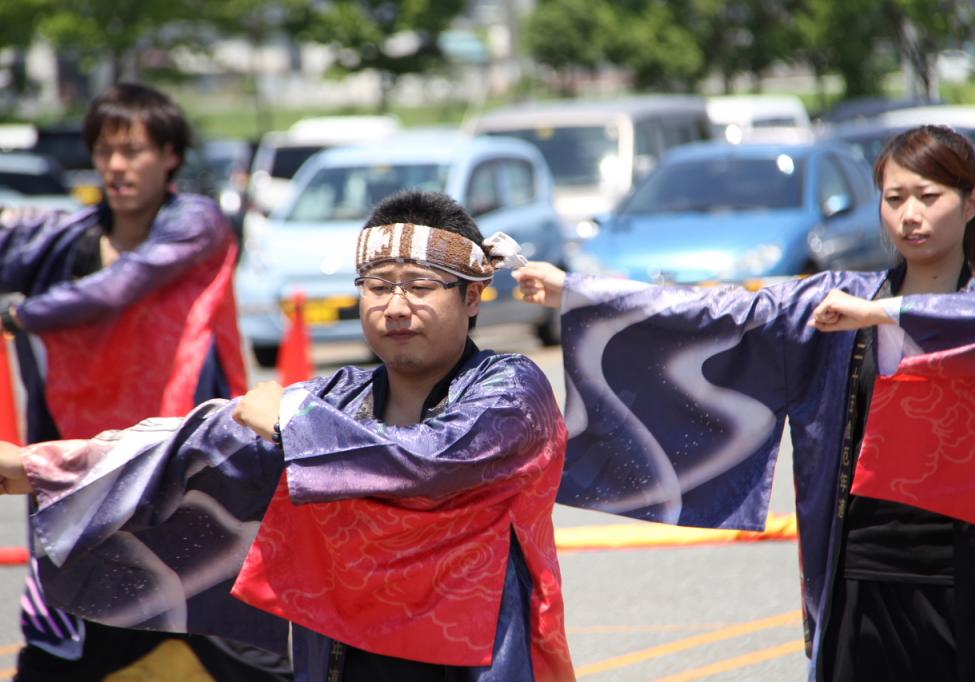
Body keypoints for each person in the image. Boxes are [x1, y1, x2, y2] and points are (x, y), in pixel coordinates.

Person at [512, 125, 975, 681]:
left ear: (972, 200)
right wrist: (584, 293)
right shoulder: (834, 301)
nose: (909, 216)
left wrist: (882, 315)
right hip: (864, 565)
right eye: (895, 198)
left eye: (929, 197)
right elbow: (722, 312)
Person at [0, 189, 576, 681]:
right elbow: (202, 440)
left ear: (472, 296)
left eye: (420, 286)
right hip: (350, 653)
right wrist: (40, 467)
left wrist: (286, 421)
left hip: (477, 655)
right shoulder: (342, 393)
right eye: (378, 286)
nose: (396, 305)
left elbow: (425, 460)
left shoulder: (510, 389)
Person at [0, 83, 290, 680]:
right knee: (64, 639)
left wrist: (21, 315)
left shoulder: (196, 224)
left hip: (178, 461)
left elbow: (120, 287)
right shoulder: (69, 239)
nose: (116, 165)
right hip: (83, 465)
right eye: (106, 151)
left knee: (228, 627)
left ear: (171, 157)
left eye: (133, 151)